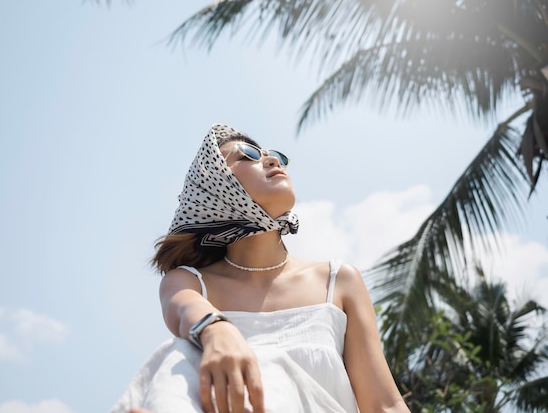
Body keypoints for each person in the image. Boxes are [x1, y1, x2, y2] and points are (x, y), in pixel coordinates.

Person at [111, 124, 410, 413]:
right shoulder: (191, 282)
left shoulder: (338, 280)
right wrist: (215, 331)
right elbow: (184, 309)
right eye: (247, 155)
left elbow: (384, 405)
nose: (271, 159)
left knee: (269, 362)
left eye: (277, 156)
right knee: (177, 354)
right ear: (218, 186)